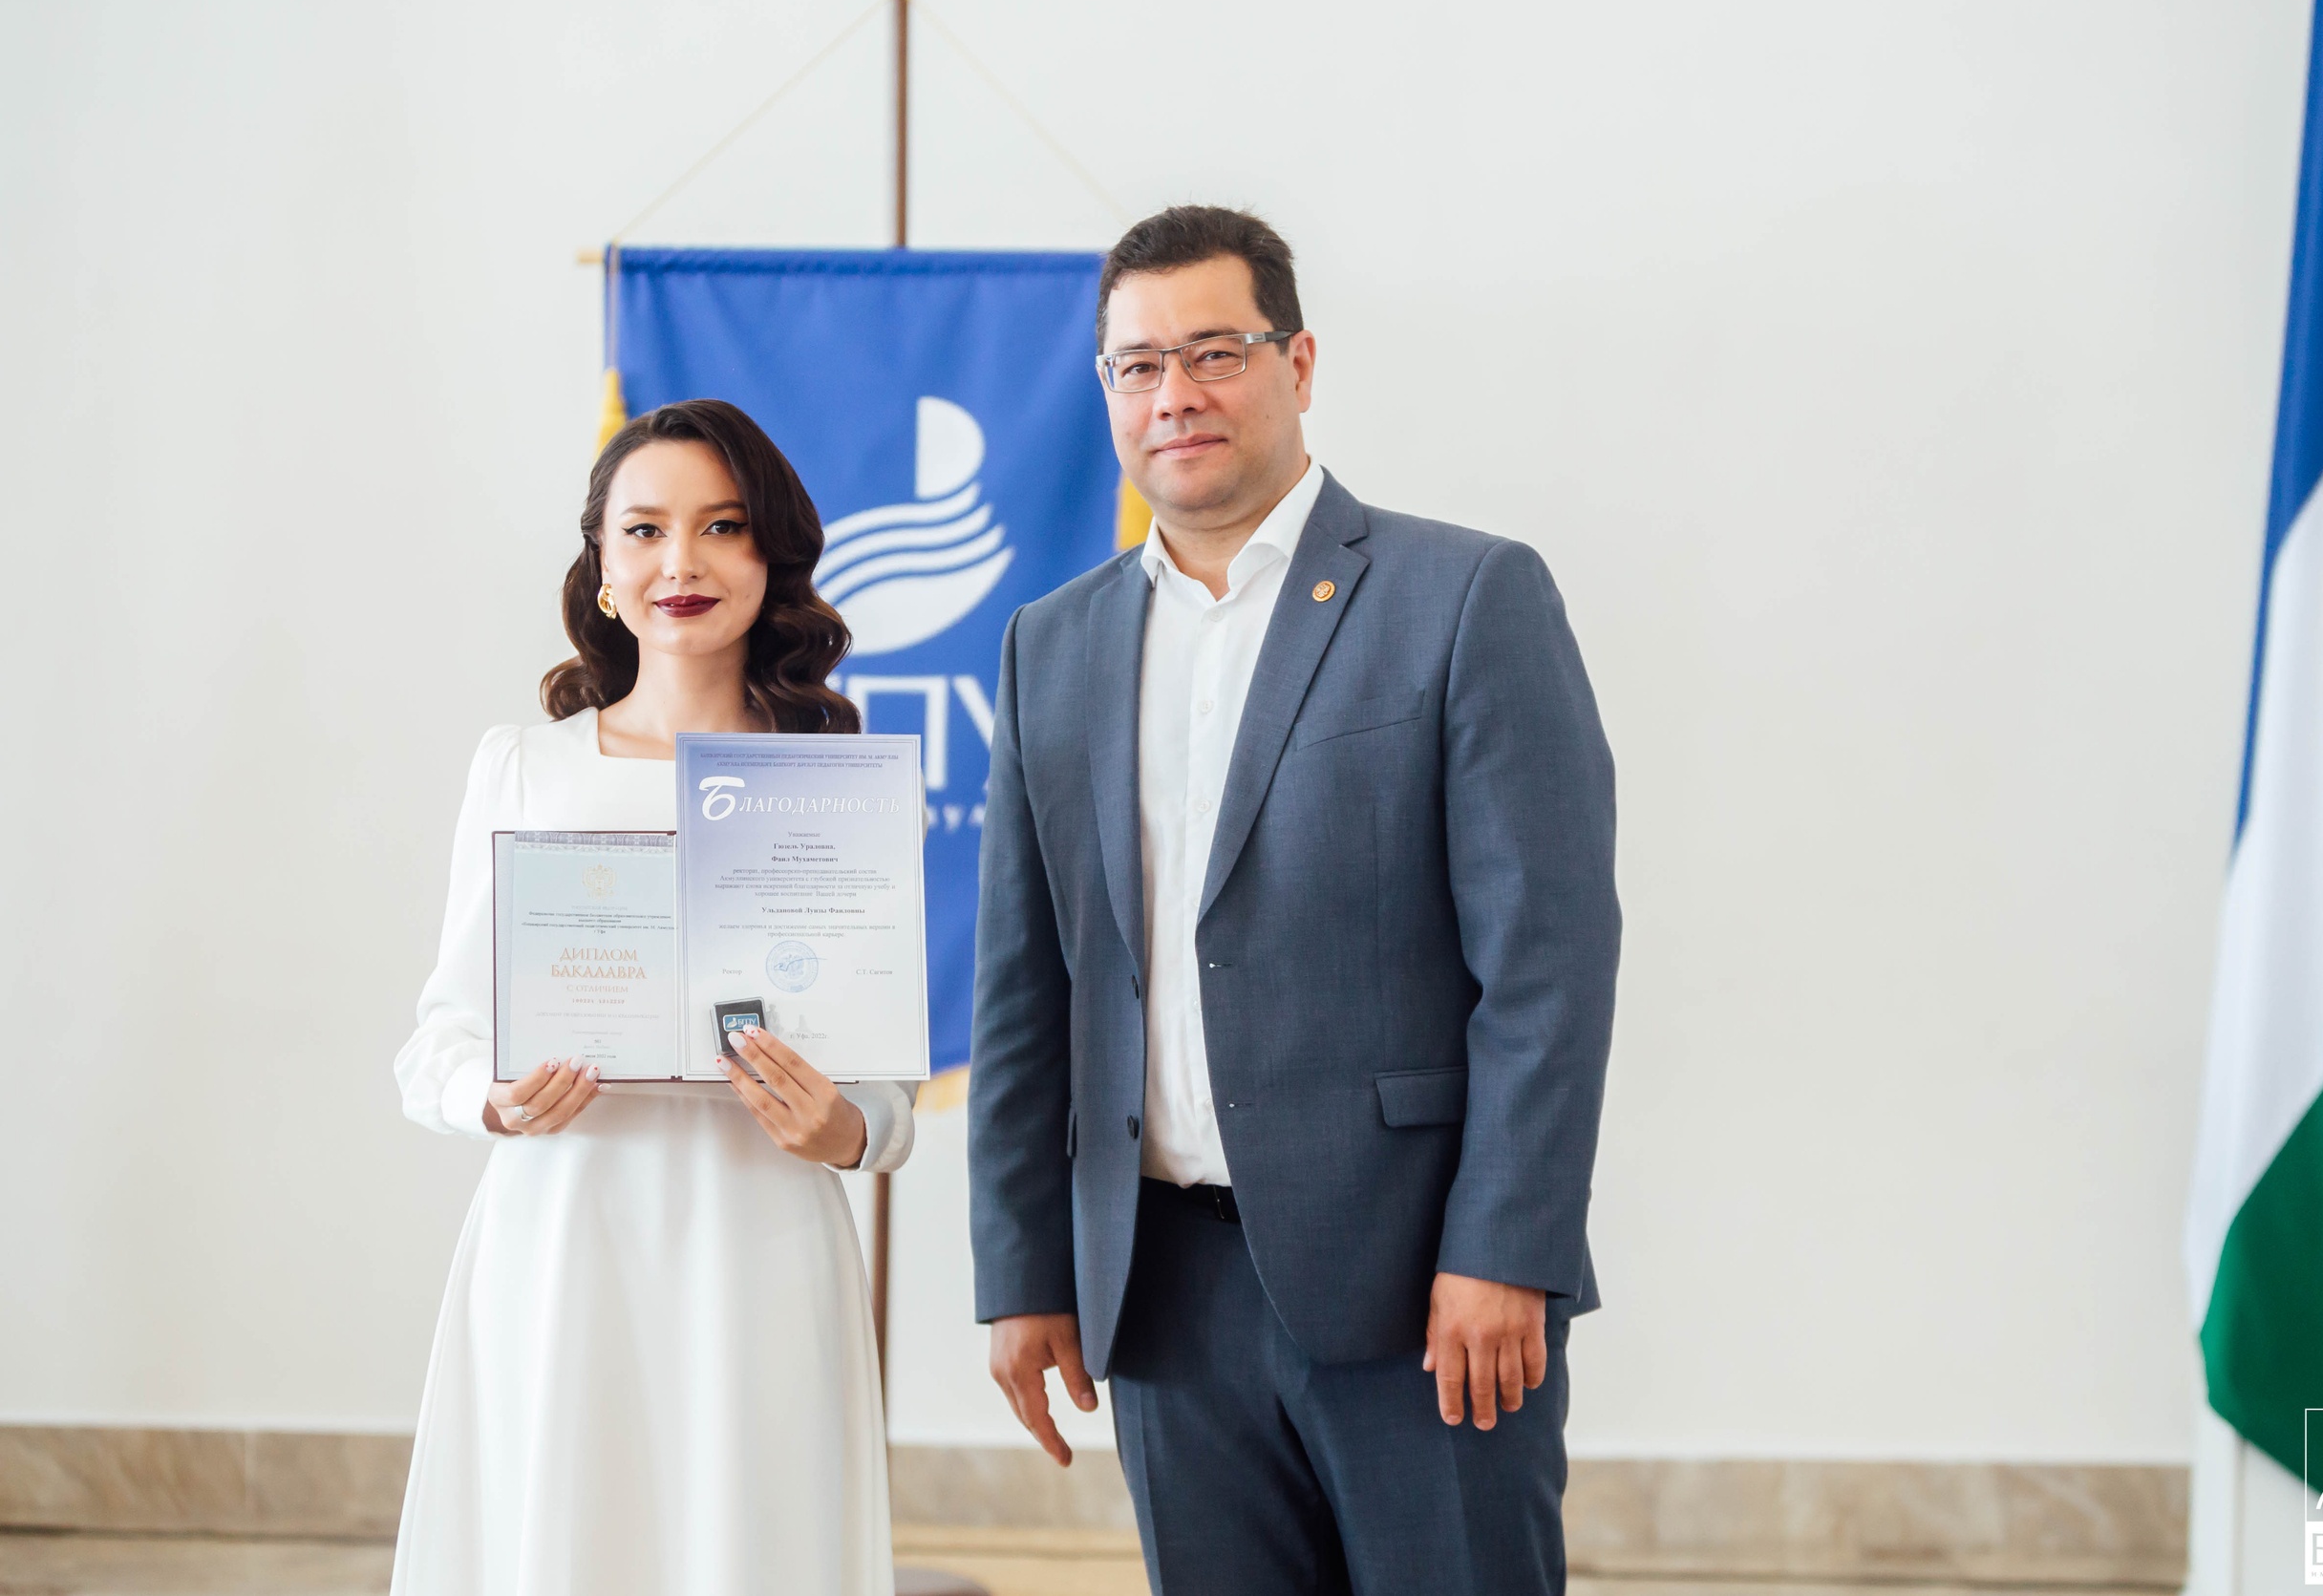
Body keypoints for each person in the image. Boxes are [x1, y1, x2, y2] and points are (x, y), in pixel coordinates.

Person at [968, 205, 1620, 1595]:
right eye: (1139, 365)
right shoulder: (1052, 645)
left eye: (1215, 351)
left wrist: (1506, 1248)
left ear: (1299, 361)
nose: (1175, 394)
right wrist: (1022, 1270)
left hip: (1420, 1283)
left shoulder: (1465, 597)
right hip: (1162, 1294)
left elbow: (1548, 965)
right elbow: (1026, 989)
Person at [391, 398, 915, 1596]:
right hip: (565, 1240)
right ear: (603, 566)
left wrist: (848, 1127)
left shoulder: (830, 785)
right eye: (644, 530)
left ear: (771, 556)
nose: (681, 561)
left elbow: (885, 1094)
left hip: (761, 1242)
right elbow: (438, 1041)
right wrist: (492, 1097)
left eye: (722, 526)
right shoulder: (524, 767)